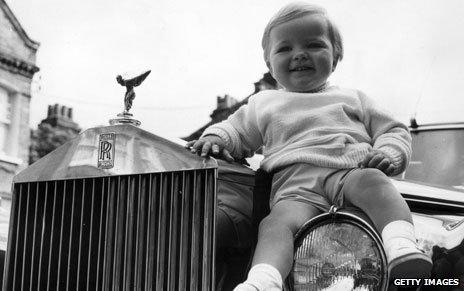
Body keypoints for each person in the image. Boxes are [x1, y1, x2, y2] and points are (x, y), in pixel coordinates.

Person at [187, 3, 432, 290]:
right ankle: (263, 281)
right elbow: (235, 129)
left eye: (314, 45)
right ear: (269, 65)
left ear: (336, 55)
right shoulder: (263, 104)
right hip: (294, 188)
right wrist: (216, 139)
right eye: (284, 49)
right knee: (274, 226)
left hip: (349, 171)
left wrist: (389, 152)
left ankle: (401, 246)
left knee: (376, 184)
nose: (299, 54)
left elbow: (392, 130)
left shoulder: (354, 98)